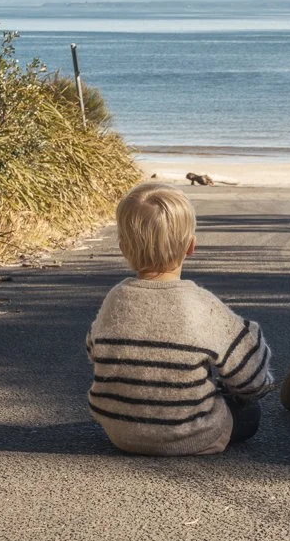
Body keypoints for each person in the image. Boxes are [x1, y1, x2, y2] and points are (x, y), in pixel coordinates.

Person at [86, 182, 273, 455]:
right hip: (193, 434)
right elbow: (250, 374)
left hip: (120, 434)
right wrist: (255, 385)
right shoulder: (201, 304)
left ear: (124, 248)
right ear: (191, 246)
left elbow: (93, 350)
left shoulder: (115, 299)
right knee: (249, 413)